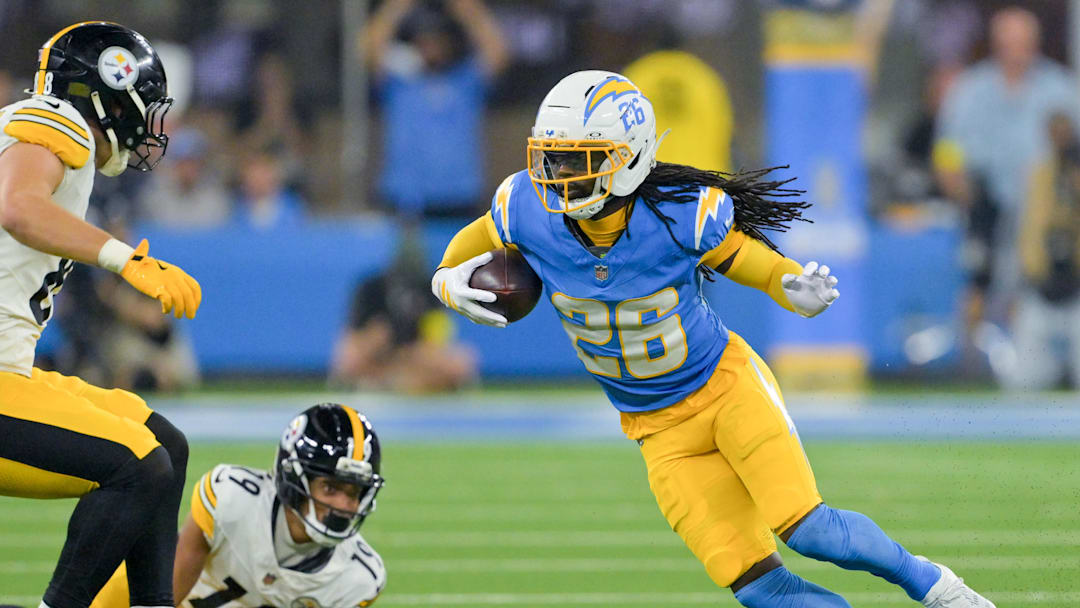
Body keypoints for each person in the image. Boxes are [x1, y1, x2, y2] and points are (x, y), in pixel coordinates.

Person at [431, 70, 994, 607]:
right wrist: (447, 284)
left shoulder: (675, 215)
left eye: (577, 162)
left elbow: (743, 258)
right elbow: (458, 253)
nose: (555, 176)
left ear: (627, 160)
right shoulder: (525, 207)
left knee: (811, 529)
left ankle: (936, 587)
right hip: (657, 430)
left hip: (725, 388)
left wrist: (785, 281)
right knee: (754, 584)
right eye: (550, 158)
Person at [0, 21, 201, 608]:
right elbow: (18, 207)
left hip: (11, 376)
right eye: (144, 105)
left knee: (162, 441)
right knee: (140, 465)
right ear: (108, 92)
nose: (147, 124)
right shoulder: (58, 118)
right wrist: (122, 259)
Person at [90, 403, 388, 608]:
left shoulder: (359, 577)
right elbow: (162, 596)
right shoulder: (233, 498)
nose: (343, 505)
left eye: (354, 492)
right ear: (293, 477)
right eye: (331, 487)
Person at [934, 7, 1080, 361]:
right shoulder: (970, 90)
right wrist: (962, 193)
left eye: (1024, 41)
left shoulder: (1062, 89)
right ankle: (971, 361)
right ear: (995, 44)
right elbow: (948, 151)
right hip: (986, 204)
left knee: (1041, 276)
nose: (1017, 49)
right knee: (978, 277)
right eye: (1009, 41)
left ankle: (1037, 358)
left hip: (1047, 210)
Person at [360, 0, 508, 219]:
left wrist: (467, 10)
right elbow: (368, 48)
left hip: (460, 196)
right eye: (424, 41)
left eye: (437, 40)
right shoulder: (399, 83)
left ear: (450, 42)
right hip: (404, 197)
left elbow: (498, 51)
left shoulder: (466, 80)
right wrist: (399, 6)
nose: (431, 46)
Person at [330, 225, 476, 392]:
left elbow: (438, 340)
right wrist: (374, 339)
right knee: (351, 355)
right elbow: (352, 338)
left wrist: (415, 351)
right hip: (379, 354)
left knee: (463, 362)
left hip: (414, 354)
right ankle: (396, 381)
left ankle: (391, 382)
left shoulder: (433, 288)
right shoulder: (371, 287)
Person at [1009, 111, 1080, 389]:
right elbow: (1031, 230)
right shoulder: (1040, 175)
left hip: (1077, 289)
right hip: (1042, 287)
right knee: (1022, 380)